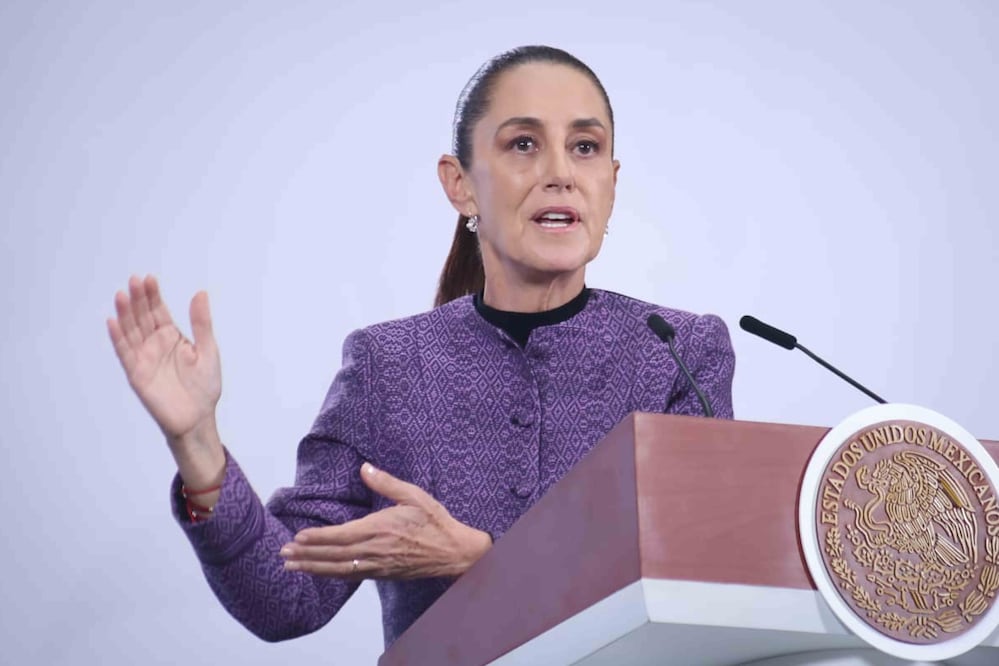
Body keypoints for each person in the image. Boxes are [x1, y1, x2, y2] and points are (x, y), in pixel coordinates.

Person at [107, 45, 736, 648]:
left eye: (585, 147)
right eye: (523, 144)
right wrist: (197, 445)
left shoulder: (679, 353)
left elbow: (694, 581)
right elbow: (284, 600)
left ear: (611, 183)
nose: (561, 174)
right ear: (460, 185)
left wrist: (481, 560)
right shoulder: (388, 367)